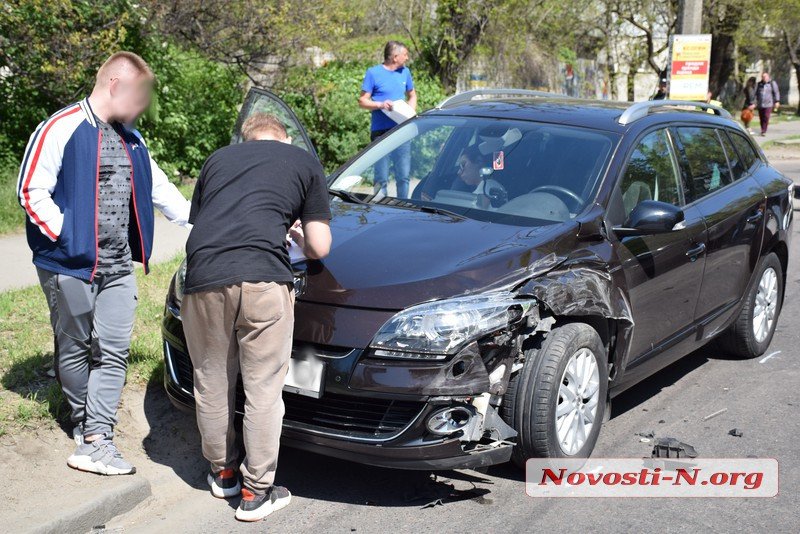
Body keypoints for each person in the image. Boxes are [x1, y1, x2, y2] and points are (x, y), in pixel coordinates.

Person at [17, 51, 191, 475]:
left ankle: (97, 438)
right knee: (75, 348)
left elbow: (159, 186)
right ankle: (81, 423)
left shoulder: (132, 138)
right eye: (139, 96)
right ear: (115, 83)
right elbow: (30, 191)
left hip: (117, 265)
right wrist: (69, 236)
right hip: (69, 264)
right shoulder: (61, 126)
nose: (141, 107)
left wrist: (199, 220)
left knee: (113, 350)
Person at [182, 112, 332, 522]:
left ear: (245, 140)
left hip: (204, 277)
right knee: (263, 388)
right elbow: (320, 247)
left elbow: (211, 224)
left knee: (211, 380)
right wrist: (297, 234)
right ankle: (255, 492)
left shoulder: (217, 160)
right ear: (283, 139)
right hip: (265, 280)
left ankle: (223, 472)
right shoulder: (301, 161)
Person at [358, 41, 417, 198]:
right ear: (395, 56)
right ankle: (379, 208)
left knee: (403, 176)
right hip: (380, 132)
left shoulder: (405, 72)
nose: (407, 57)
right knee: (381, 177)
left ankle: (403, 206)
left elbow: (412, 94)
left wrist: (411, 111)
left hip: (402, 130)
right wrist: (380, 105)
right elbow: (362, 101)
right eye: (405, 54)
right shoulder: (373, 73)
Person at [756, 71, 780, 136]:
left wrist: (777, 101)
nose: (764, 78)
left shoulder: (772, 83)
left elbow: (776, 92)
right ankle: (762, 129)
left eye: (765, 76)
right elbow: (756, 93)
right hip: (760, 104)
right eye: (763, 77)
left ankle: (764, 130)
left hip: (769, 104)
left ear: (768, 76)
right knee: (761, 118)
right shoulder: (759, 84)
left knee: (766, 117)